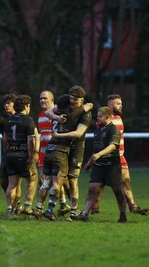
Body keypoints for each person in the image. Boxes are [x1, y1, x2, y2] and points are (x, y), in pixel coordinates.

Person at [91, 94, 149, 215]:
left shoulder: (119, 117)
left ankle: (133, 207)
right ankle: (94, 207)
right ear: (111, 105)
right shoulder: (104, 119)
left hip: (120, 156)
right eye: (118, 103)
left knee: (126, 181)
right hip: (107, 157)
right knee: (100, 184)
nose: (121, 106)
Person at [42, 86, 91, 221]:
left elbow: (78, 133)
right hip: (62, 147)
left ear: (82, 99)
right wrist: (57, 117)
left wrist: (59, 135)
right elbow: (48, 113)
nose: (72, 102)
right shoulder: (64, 102)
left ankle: (73, 212)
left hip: (76, 147)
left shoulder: (86, 114)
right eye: (71, 99)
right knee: (60, 180)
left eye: (76, 100)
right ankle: (62, 207)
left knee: (72, 180)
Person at [71, 107, 126, 223]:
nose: (97, 118)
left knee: (117, 191)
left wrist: (99, 154)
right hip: (99, 165)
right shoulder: (98, 130)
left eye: (100, 116)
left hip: (112, 165)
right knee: (93, 189)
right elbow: (96, 149)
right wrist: (90, 162)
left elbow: (112, 146)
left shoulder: (113, 129)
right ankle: (84, 214)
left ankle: (123, 215)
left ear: (107, 117)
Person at [35, 91, 71, 217]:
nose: (42, 101)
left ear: (52, 100)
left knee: (58, 181)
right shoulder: (40, 115)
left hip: (57, 152)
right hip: (44, 153)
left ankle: (64, 205)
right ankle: (62, 204)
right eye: (40, 98)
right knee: (43, 180)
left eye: (45, 98)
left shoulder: (59, 112)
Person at [2, 95, 38, 216]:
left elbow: (5, 139)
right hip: (22, 155)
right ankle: (28, 206)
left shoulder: (8, 120)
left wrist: (6, 153)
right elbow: (31, 141)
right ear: (26, 106)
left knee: (12, 184)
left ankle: (9, 209)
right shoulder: (28, 120)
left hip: (10, 155)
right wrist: (31, 156)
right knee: (33, 179)